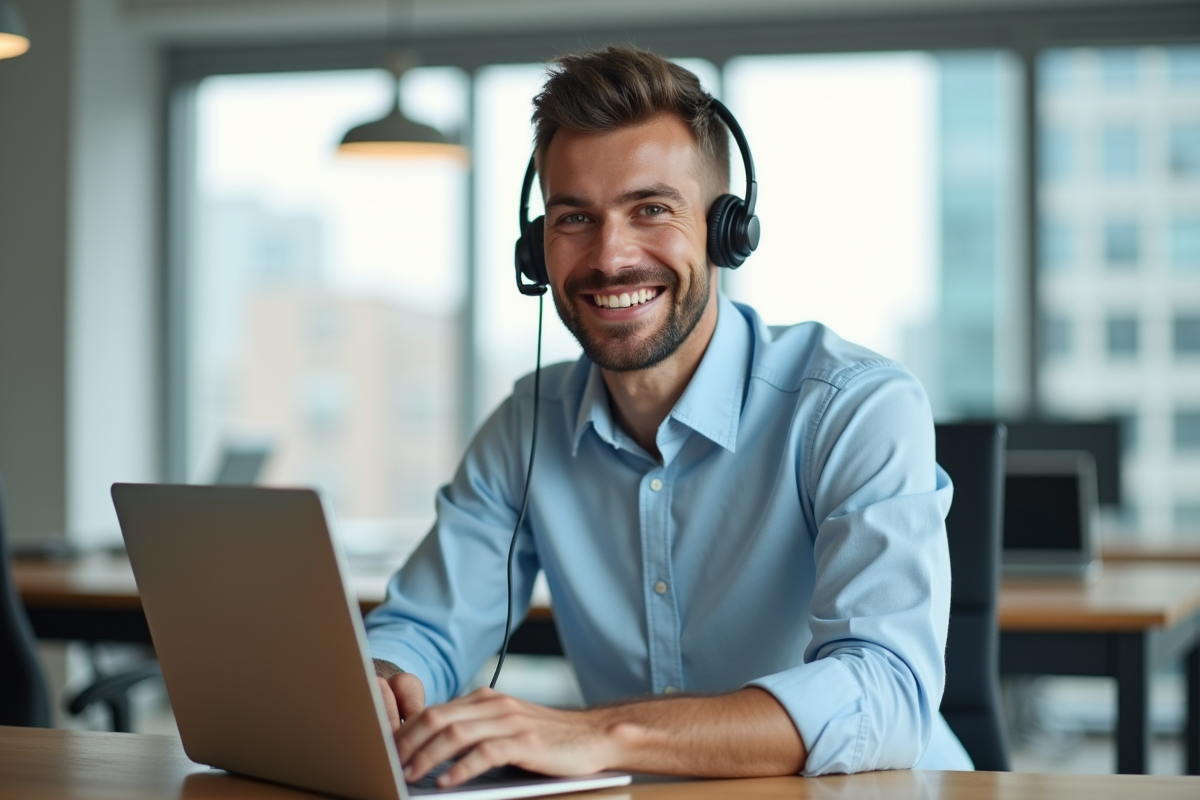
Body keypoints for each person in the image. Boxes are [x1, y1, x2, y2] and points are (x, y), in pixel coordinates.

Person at [365, 46, 972, 788]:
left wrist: (599, 733)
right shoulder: (527, 425)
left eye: (650, 209)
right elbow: (426, 627)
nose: (609, 257)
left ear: (725, 231)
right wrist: (384, 681)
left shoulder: (854, 407)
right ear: (536, 249)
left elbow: (886, 693)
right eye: (574, 218)